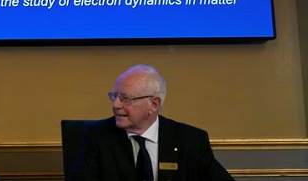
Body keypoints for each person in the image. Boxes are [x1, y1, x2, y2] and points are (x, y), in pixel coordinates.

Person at [71, 64, 234, 181]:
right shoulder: (98, 136)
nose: (116, 104)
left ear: (154, 104)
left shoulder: (191, 140)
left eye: (125, 99)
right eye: (114, 96)